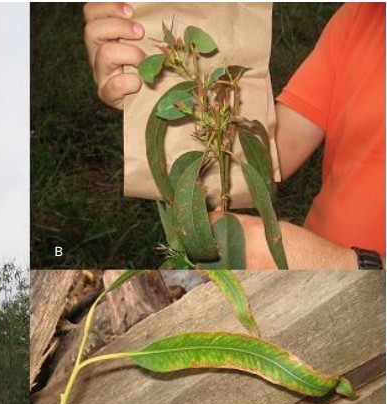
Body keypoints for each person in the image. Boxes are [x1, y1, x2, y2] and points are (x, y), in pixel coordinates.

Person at [83, 2, 385, 269]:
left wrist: (351, 266)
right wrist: (150, 96)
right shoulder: (364, 15)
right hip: (309, 269)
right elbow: (270, 153)